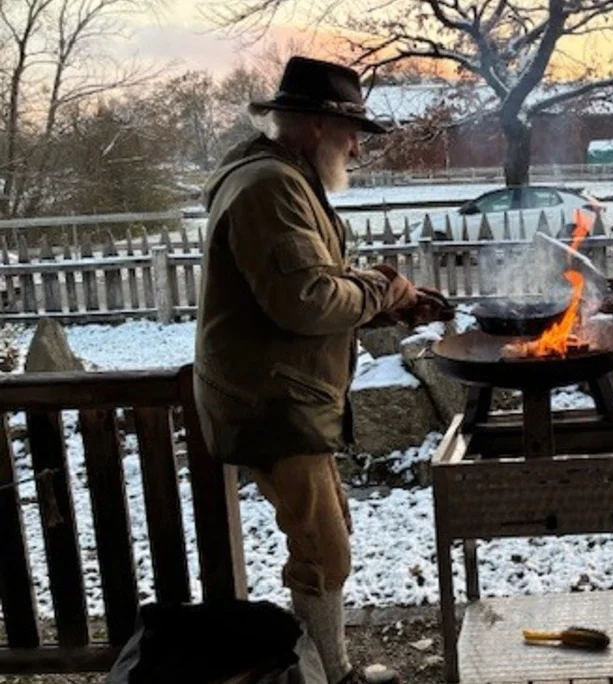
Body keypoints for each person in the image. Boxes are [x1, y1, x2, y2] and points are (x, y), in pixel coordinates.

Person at [193, 55, 452, 684]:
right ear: (315, 125)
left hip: (285, 396)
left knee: (324, 540)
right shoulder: (269, 187)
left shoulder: (282, 177)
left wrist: (385, 309)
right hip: (272, 403)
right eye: (352, 131)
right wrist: (385, 289)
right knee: (322, 549)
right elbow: (304, 302)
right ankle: (328, 676)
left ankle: (322, 670)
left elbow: (305, 289)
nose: (358, 146)